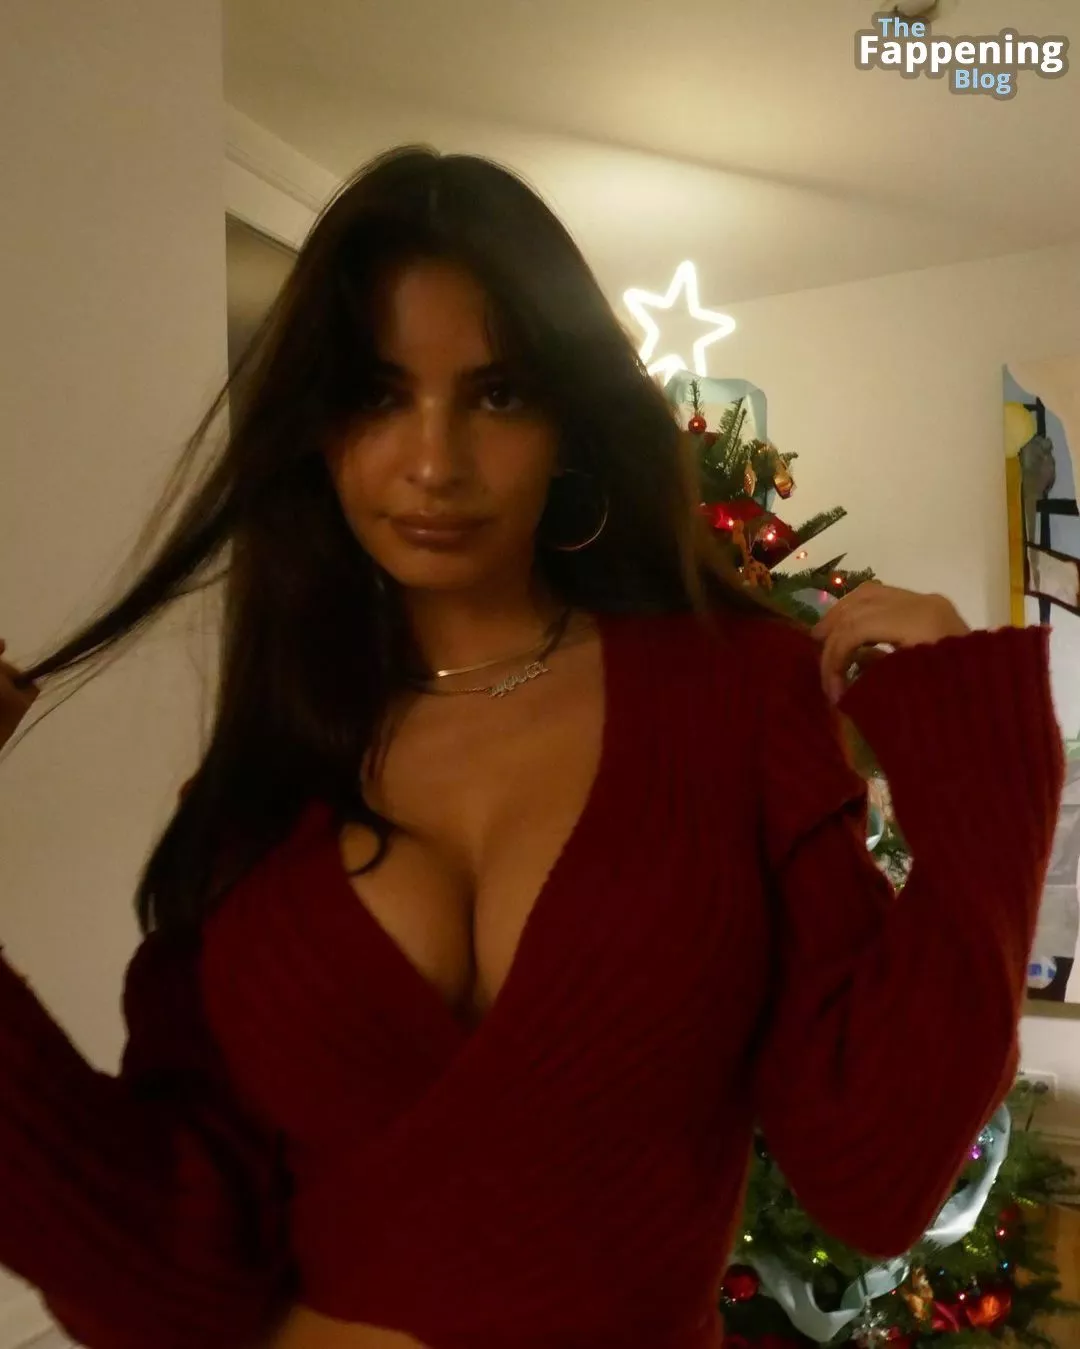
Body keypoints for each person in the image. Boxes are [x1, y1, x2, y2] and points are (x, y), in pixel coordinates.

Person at [0, 146, 1064, 1349]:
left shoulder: (734, 698)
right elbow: (167, 1270)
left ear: (567, 415)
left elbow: (878, 1173)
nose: (434, 461)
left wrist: (985, 775)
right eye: (378, 394)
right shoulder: (260, 779)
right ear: (316, 427)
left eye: (497, 393)